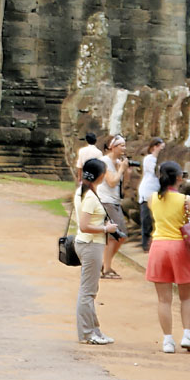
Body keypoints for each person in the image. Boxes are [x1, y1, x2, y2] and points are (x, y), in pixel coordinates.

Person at [143, 159, 190, 353]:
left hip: (159, 247)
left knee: (164, 299)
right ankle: (187, 334)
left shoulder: (152, 198)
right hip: (180, 247)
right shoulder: (185, 200)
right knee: (186, 297)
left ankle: (167, 340)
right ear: (179, 177)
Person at [71, 156, 119, 345]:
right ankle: (86, 333)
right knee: (87, 292)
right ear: (99, 176)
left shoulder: (83, 192)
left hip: (88, 243)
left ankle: (94, 330)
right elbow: (84, 225)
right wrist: (106, 229)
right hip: (91, 244)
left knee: (90, 290)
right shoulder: (90, 196)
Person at [96, 134, 128, 279]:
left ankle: (105, 264)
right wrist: (121, 169)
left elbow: (121, 185)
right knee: (114, 236)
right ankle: (106, 268)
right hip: (106, 201)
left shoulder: (117, 162)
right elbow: (111, 182)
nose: (124, 148)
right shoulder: (105, 161)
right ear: (112, 147)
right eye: (121, 145)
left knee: (121, 236)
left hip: (115, 201)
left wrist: (125, 170)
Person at [137, 136, 164, 254]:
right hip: (147, 191)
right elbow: (156, 172)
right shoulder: (149, 159)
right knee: (147, 218)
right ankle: (146, 244)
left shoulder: (160, 161)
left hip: (157, 192)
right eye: (160, 147)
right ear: (154, 147)